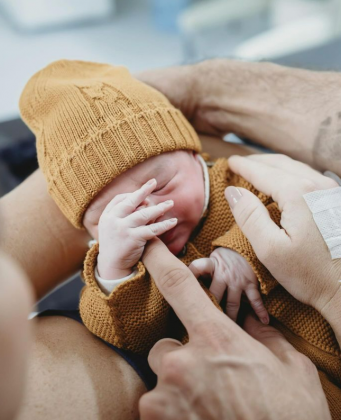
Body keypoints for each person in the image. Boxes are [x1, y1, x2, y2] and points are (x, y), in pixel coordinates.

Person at [0, 58, 339, 419]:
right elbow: (125, 333)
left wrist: (241, 254)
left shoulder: (237, 179)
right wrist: (114, 271)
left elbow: (296, 212)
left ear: (198, 157)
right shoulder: (128, 255)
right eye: (111, 216)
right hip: (252, 382)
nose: (150, 213)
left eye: (162, 185)